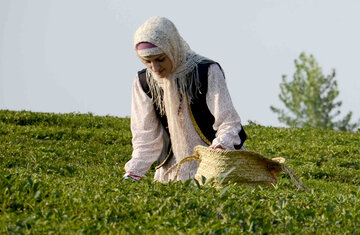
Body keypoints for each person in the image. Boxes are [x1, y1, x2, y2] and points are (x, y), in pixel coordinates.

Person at [124, 16, 247, 183]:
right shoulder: (144, 82)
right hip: (172, 174)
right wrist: (134, 172)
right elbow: (145, 139)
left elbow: (228, 123)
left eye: (160, 59)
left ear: (172, 48)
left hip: (216, 167)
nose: (156, 68)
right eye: (148, 62)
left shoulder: (206, 71)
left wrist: (216, 153)